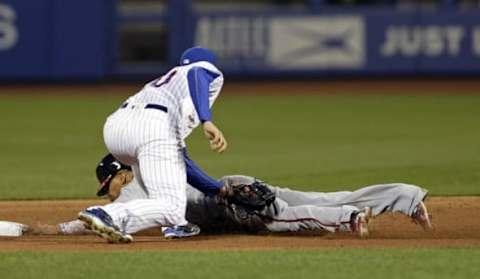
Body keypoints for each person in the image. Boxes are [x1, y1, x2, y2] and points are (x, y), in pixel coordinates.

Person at [38, 155, 432, 238]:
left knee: (281, 219)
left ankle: (348, 217)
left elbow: (95, 220)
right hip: (233, 184)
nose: (111, 194)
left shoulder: (133, 192)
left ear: (120, 175)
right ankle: (406, 196)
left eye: (109, 186)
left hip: (229, 201)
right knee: (323, 194)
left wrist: (51, 230)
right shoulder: (160, 161)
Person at [78, 46, 228, 243]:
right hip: (152, 126)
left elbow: (180, 160)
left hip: (117, 128)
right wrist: (206, 120)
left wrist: (215, 189)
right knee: (171, 206)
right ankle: (108, 214)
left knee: (163, 200)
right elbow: (197, 72)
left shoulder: (164, 85)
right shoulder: (199, 70)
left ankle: (175, 225)